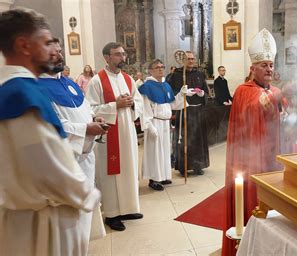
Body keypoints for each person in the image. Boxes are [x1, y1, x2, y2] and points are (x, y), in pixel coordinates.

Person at [0, 8, 101, 255]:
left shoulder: (9, 89)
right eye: (46, 42)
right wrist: (87, 194)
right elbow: (50, 165)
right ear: (24, 45)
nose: (54, 50)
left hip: (22, 216)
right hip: (43, 225)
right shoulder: (22, 95)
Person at [38, 38, 107, 241]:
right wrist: (86, 128)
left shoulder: (69, 83)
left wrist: (94, 119)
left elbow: (84, 109)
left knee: (83, 216)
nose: (59, 56)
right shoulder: (38, 88)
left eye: (60, 51)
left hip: (85, 157)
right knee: (69, 220)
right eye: (53, 53)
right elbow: (51, 127)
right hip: (65, 163)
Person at [222, 28, 283, 255]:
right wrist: (272, 99)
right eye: (264, 65)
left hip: (272, 157)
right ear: (252, 68)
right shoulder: (243, 90)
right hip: (250, 161)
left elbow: (284, 115)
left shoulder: (275, 90)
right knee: (252, 203)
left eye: (271, 65)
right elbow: (253, 106)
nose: (269, 69)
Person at [86, 42, 144, 231]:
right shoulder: (97, 81)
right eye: (118, 54)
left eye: (123, 54)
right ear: (107, 57)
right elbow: (91, 109)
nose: (122, 57)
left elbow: (139, 101)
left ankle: (128, 207)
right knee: (111, 174)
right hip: (109, 135)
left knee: (128, 168)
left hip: (127, 132)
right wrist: (114, 106)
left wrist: (133, 104)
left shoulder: (128, 79)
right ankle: (112, 214)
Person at [139, 59, 192, 190]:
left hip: (165, 123)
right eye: (157, 67)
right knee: (155, 152)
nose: (161, 69)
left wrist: (181, 94)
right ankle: (154, 179)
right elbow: (144, 109)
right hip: (154, 122)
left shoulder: (166, 85)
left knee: (164, 151)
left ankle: (163, 176)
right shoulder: (147, 87)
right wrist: (149, 126)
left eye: (162, 67)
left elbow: (173, 104)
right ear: (150, 70)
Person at [167, 51, 209, 176]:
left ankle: (197, 165)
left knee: (198, 139)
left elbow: (206, 92)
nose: (191, 61)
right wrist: (181, 93)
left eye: (192, 59)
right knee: (184, 139)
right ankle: (183, 167)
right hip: (184, 110)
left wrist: (202, 94)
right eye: (188, 59)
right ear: (183, 60)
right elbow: (170, 93)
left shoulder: (200, 74)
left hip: (198, 111)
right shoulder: (175, 75)